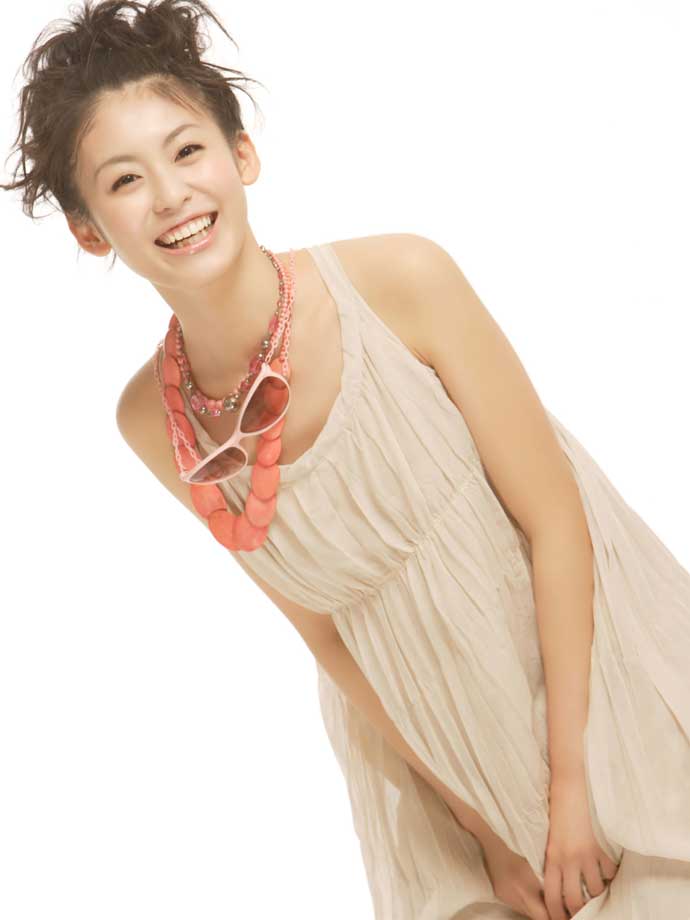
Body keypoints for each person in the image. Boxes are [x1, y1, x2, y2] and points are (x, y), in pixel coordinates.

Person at [2, 1, 689, 917]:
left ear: (242, 156)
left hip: (591, 687)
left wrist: (573, 790)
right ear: (91, 229)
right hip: (438, 758)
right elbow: (326, 635)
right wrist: (483, 827)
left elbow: (557, 519)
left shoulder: (402, 279)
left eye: (187, 151)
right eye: (124, 180)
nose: (169, 195)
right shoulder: (151, 421)